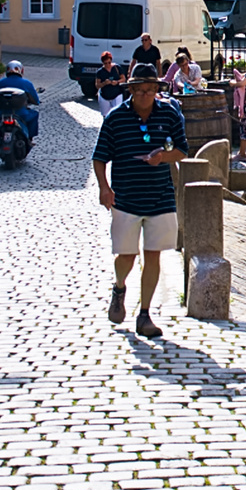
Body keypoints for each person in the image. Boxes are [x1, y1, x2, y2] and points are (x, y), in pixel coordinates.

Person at [93, 63, 187, 339]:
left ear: (158, 90)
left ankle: (145, 313)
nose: (146, 94)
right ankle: (119, 287)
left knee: (154, 254)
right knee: (127, 255)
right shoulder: (115, 118)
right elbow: (99, 157)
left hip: (160, 196)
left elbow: (181, 149)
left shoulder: (169, 114)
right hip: (126, 197)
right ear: (131, 90)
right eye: (140, 90)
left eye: (151, 89)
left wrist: (162, 157)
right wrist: (104, 188)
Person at [0, 60, 40, 140]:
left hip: (2, 113)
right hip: (21, 114)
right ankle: (30, 138)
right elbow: (36, 100)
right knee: (34, 115)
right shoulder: (26, 83)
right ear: (21, 70)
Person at [95, 51, 125, 117]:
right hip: (105, 96)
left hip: (117, 94)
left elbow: (123, 79)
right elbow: (97, 85)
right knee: (105, 116)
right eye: (105, 63)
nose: (108, 65)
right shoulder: (100, 72)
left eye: (109, 62)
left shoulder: (117, 68)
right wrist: (104, 83)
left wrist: (117, 82)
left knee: (117, 113)